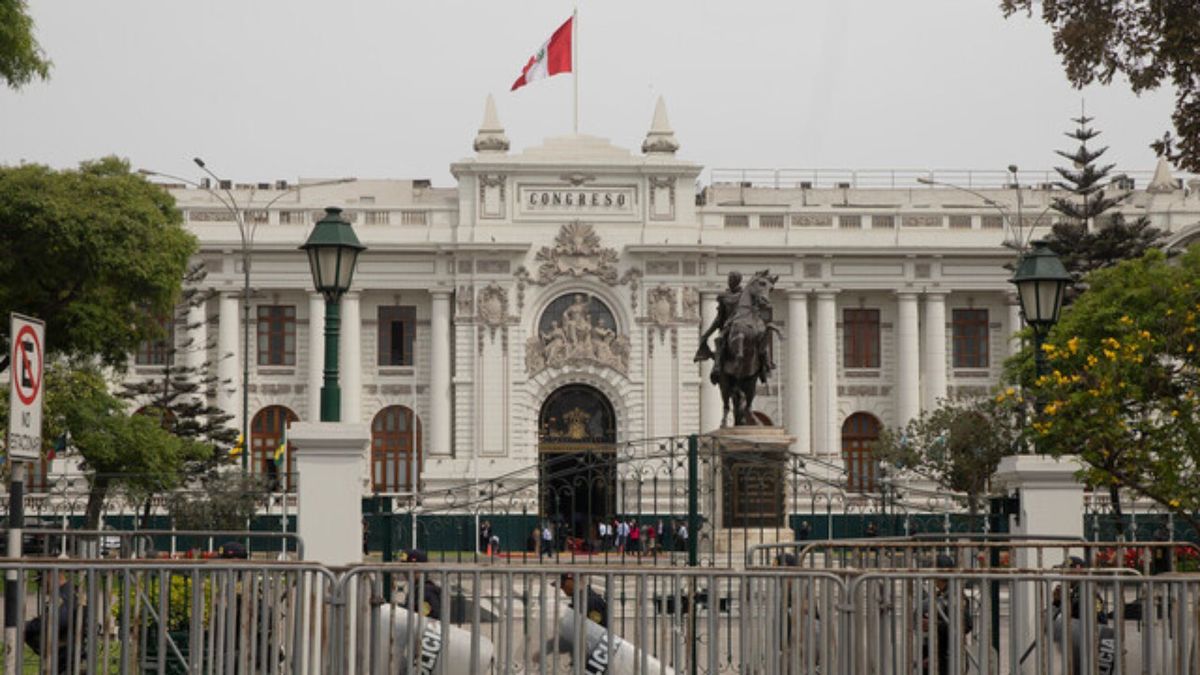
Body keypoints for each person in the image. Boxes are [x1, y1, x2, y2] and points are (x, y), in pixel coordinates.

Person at [921, 554, 973, 675]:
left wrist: (933, 625)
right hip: (941, 656)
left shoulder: (955, 596)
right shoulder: (941, 594)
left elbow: (965, 625)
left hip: (950, 657)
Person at [25, 572, 78, 673]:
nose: (41, 586)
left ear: (51, 576)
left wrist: (28, 626)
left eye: (42, 581)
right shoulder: (68, 591)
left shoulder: (62, 595)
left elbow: (56, 619)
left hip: (65, 655)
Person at [398, 549, 443, 621]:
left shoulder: (426, 591)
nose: (404, 572)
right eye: (403, 568)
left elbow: (430, 619)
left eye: (407, 568)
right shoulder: (416, 588)